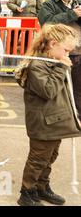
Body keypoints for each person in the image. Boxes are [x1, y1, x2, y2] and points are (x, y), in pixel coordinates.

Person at [15, 24, 81, 206]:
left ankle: (41, 187)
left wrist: (61, 65)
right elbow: (48, 91)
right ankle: (27, 193)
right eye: (66, 50)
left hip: (55, 121)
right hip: (43, 123)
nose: (68, 54)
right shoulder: (38, 65)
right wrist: (62, 68)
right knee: (38, 159)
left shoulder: (55, 62)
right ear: (53, 44)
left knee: (50, 157)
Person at [38, 0, 81, 118]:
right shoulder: (48, 5)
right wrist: (72, 15)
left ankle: (77, 117)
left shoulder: (77, 2)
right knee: (59, 88)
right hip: (58, 55)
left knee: (78, 89)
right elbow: (47, 23)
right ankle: (61, 117)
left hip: (78, 52)